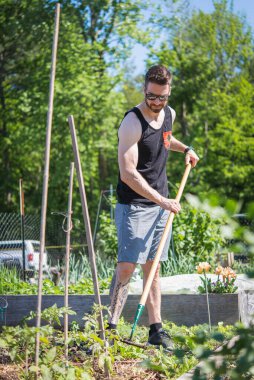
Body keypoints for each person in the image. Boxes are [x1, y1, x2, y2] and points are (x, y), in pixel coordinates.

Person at [108, 65, 199, 349]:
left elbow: (166, 140)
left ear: (168, 92)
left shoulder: (168, 115)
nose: (157, 103)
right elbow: (128, 173)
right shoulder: (132, 123)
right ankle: (108, 329)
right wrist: (161, 201)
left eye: (162, 97)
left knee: (153, 267)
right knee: (126, 268)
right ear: (144, 89)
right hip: (135, 206)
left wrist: (185, 149)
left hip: (161, 205)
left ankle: (156, 330)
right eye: (151, 97)